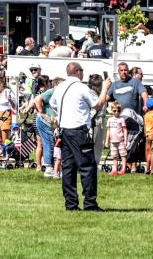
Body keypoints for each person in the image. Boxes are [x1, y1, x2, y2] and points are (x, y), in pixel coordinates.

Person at [55, 60, 108, 211]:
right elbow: (98, 104)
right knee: (87, 167)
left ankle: (71, 204)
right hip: (79, 131)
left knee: (68, 168)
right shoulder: (81, 88)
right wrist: (105, 89)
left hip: (64, 131)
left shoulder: (60, 87)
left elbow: (53, 104)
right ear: (78, 72)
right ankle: (90, 203)